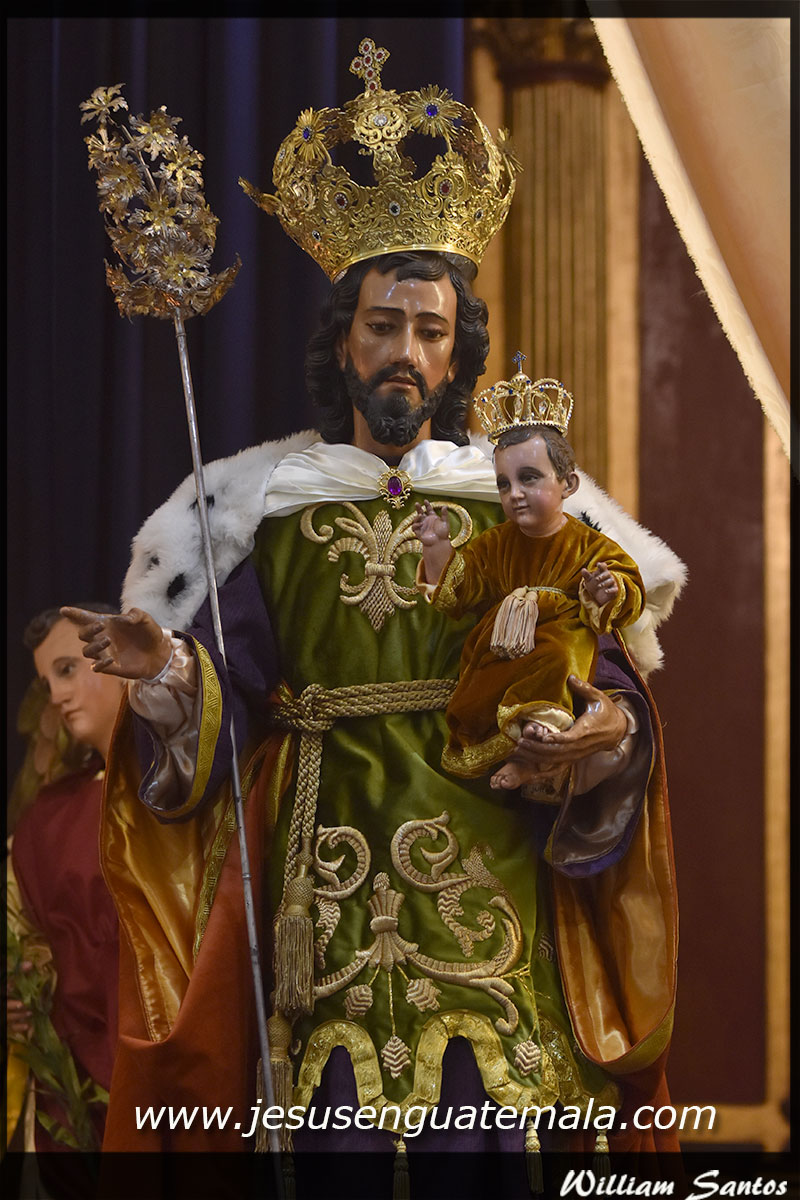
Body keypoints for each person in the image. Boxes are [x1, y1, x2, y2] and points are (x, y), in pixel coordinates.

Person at [64, 39, 684, 1191]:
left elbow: (597, 668)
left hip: (490, 893)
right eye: (383, 326)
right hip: (327, 903)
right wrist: (168, 674)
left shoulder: (514, 505)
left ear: (456, 354)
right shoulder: (273, 508)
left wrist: (605, 733)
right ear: (343, 340)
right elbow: (233, 696)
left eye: (429, 332)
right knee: (337, 1148)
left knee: (479, 1150)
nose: (405, 353)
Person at [412, 396, 645, 796]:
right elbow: (459, 593)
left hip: (559, 649)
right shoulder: (495, 543)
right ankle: (513, 745)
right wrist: (436, 548)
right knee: (478, 686)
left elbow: (628, 588)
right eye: (504, 484)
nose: (515, 493)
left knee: (557, 657)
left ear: (568, 484)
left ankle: (532, 756)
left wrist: (604, 591)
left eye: (529, 478)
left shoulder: (589, 544)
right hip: (502, 647)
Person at [6, 605, 124, 1168]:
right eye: (46, 681)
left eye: (68, 669)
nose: (55, 696)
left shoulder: (189, 794)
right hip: (78, 1106)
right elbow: (30, 940)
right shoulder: (48, 823)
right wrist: (24, 994)